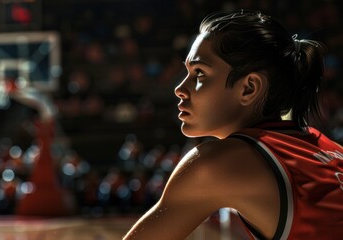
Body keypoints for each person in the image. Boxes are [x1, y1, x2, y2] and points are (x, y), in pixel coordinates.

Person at [123, 10, 343, 240]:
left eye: (199, 73)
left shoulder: (216, 163)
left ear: (248, 88)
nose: (180, 88)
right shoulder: (333, 149)